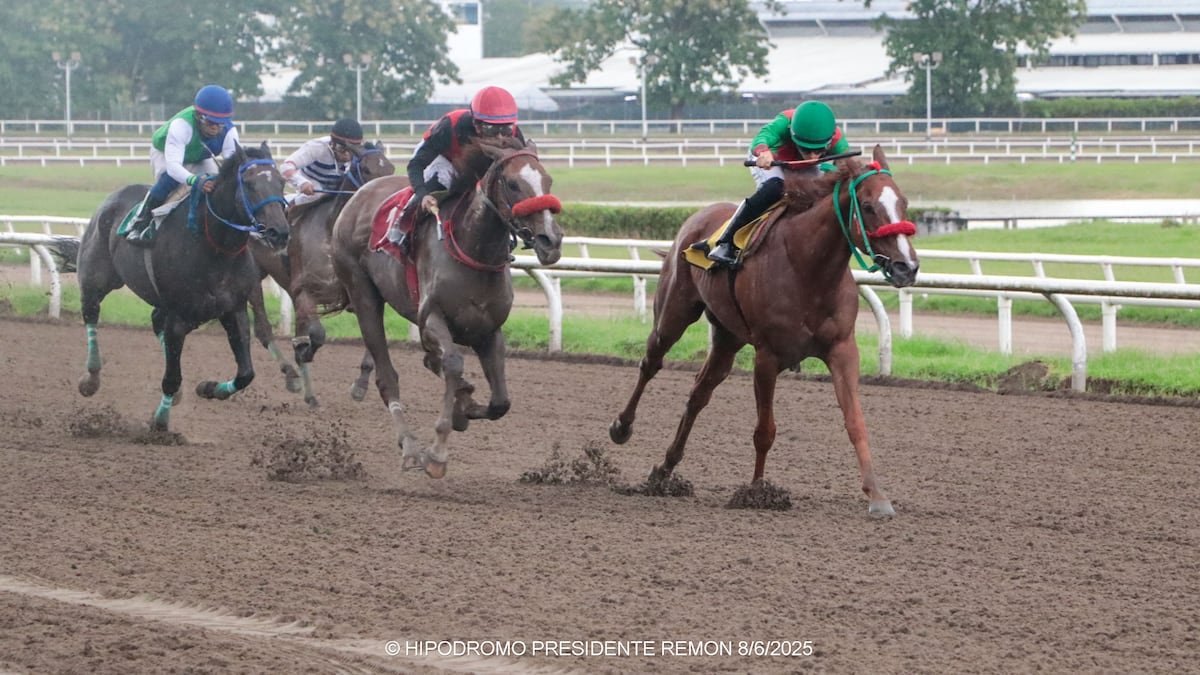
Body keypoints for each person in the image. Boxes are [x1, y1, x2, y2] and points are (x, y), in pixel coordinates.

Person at [698, 100, 850, 267]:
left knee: (822, 193)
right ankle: (726, 242)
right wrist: (763, 152)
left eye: (820, 150)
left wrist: (831, 170)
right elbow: (762, 138)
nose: (813, 156)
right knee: (774, 188)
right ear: (793, 135)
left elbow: (844, 164)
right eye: (806, 149)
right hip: (773, 161)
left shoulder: (836, 137)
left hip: (801, 166)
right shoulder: (784, 122)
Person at [388, 86, 526, 245]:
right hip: (446, 158)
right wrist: (423, 193)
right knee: (443, 179)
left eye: (506, 128)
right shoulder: (450, 127)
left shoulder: (515, 134)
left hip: (480, 162)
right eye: (491, 129)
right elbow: (416, 165)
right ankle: (402, 227)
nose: (500, 137)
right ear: (476, 123)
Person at [126, 85, 240, 246]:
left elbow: (232, 169)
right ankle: (140, 222)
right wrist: (195, 181)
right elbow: (174, 168)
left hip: (200, 155)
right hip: (166, 153)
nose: (215, 128)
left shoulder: (229, 132)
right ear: (198, 116)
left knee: (217, 184)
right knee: (169, 183)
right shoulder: (182, 125)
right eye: (210, 123)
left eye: (220, 124)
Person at [280, 118, 364, 206]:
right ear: (332, 143)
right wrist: (302, 183)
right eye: (341, 148)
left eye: (352, 149)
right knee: (317, 195)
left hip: (335, 186)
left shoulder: (360, 154)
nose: (347, 155)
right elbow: (286, 167)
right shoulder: (317, 147)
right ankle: (289, 206)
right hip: (311, 181)